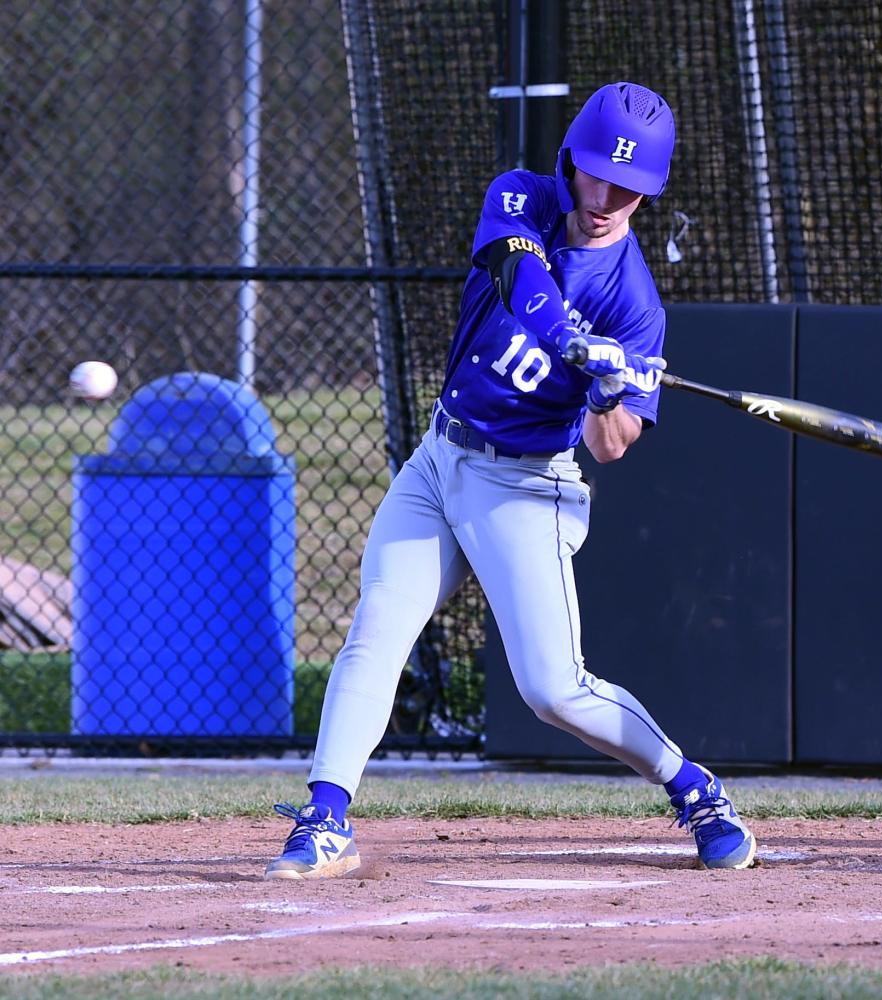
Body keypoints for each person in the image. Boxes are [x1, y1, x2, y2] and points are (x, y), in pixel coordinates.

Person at [265, 82, 756, 880]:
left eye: (627, 187)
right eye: (596, 174)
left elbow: (611, 446)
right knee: (380, 625)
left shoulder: (636, 307)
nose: (605, 198)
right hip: (440, 457)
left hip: (526, 489)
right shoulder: (520, 195)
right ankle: (325, 819)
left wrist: (606, 386)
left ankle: (694, 788)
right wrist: (569, 337)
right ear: (571, 161)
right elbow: (517, 272)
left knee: (554, 692)